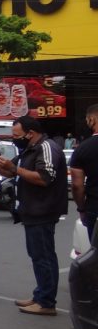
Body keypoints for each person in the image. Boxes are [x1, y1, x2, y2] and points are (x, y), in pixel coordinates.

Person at [0, 116, 67, 316]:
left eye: (16, 135)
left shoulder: (46, 148)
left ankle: (46, 302)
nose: (14, 138)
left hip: (43, 210)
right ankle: (40, 295)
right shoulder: (29, 149)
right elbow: (11, 172)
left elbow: (44, 178)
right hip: (31, 210)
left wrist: (14, 168)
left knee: (44, 257)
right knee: (37, 256)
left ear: (30, 133)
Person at [70, 103, 98, 243]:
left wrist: (81, 208)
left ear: (91, 120)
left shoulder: (82, 149)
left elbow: (77, 185)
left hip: (95, 205)